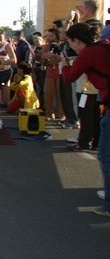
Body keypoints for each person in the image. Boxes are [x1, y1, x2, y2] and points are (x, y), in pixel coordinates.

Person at [60, 22, 110, 217]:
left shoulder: (88, 53)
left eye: (71, 42)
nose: (70, 46)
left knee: (105, 156)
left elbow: (70, 77)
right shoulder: (105, 44)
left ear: (77, 41)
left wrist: (64, 65)